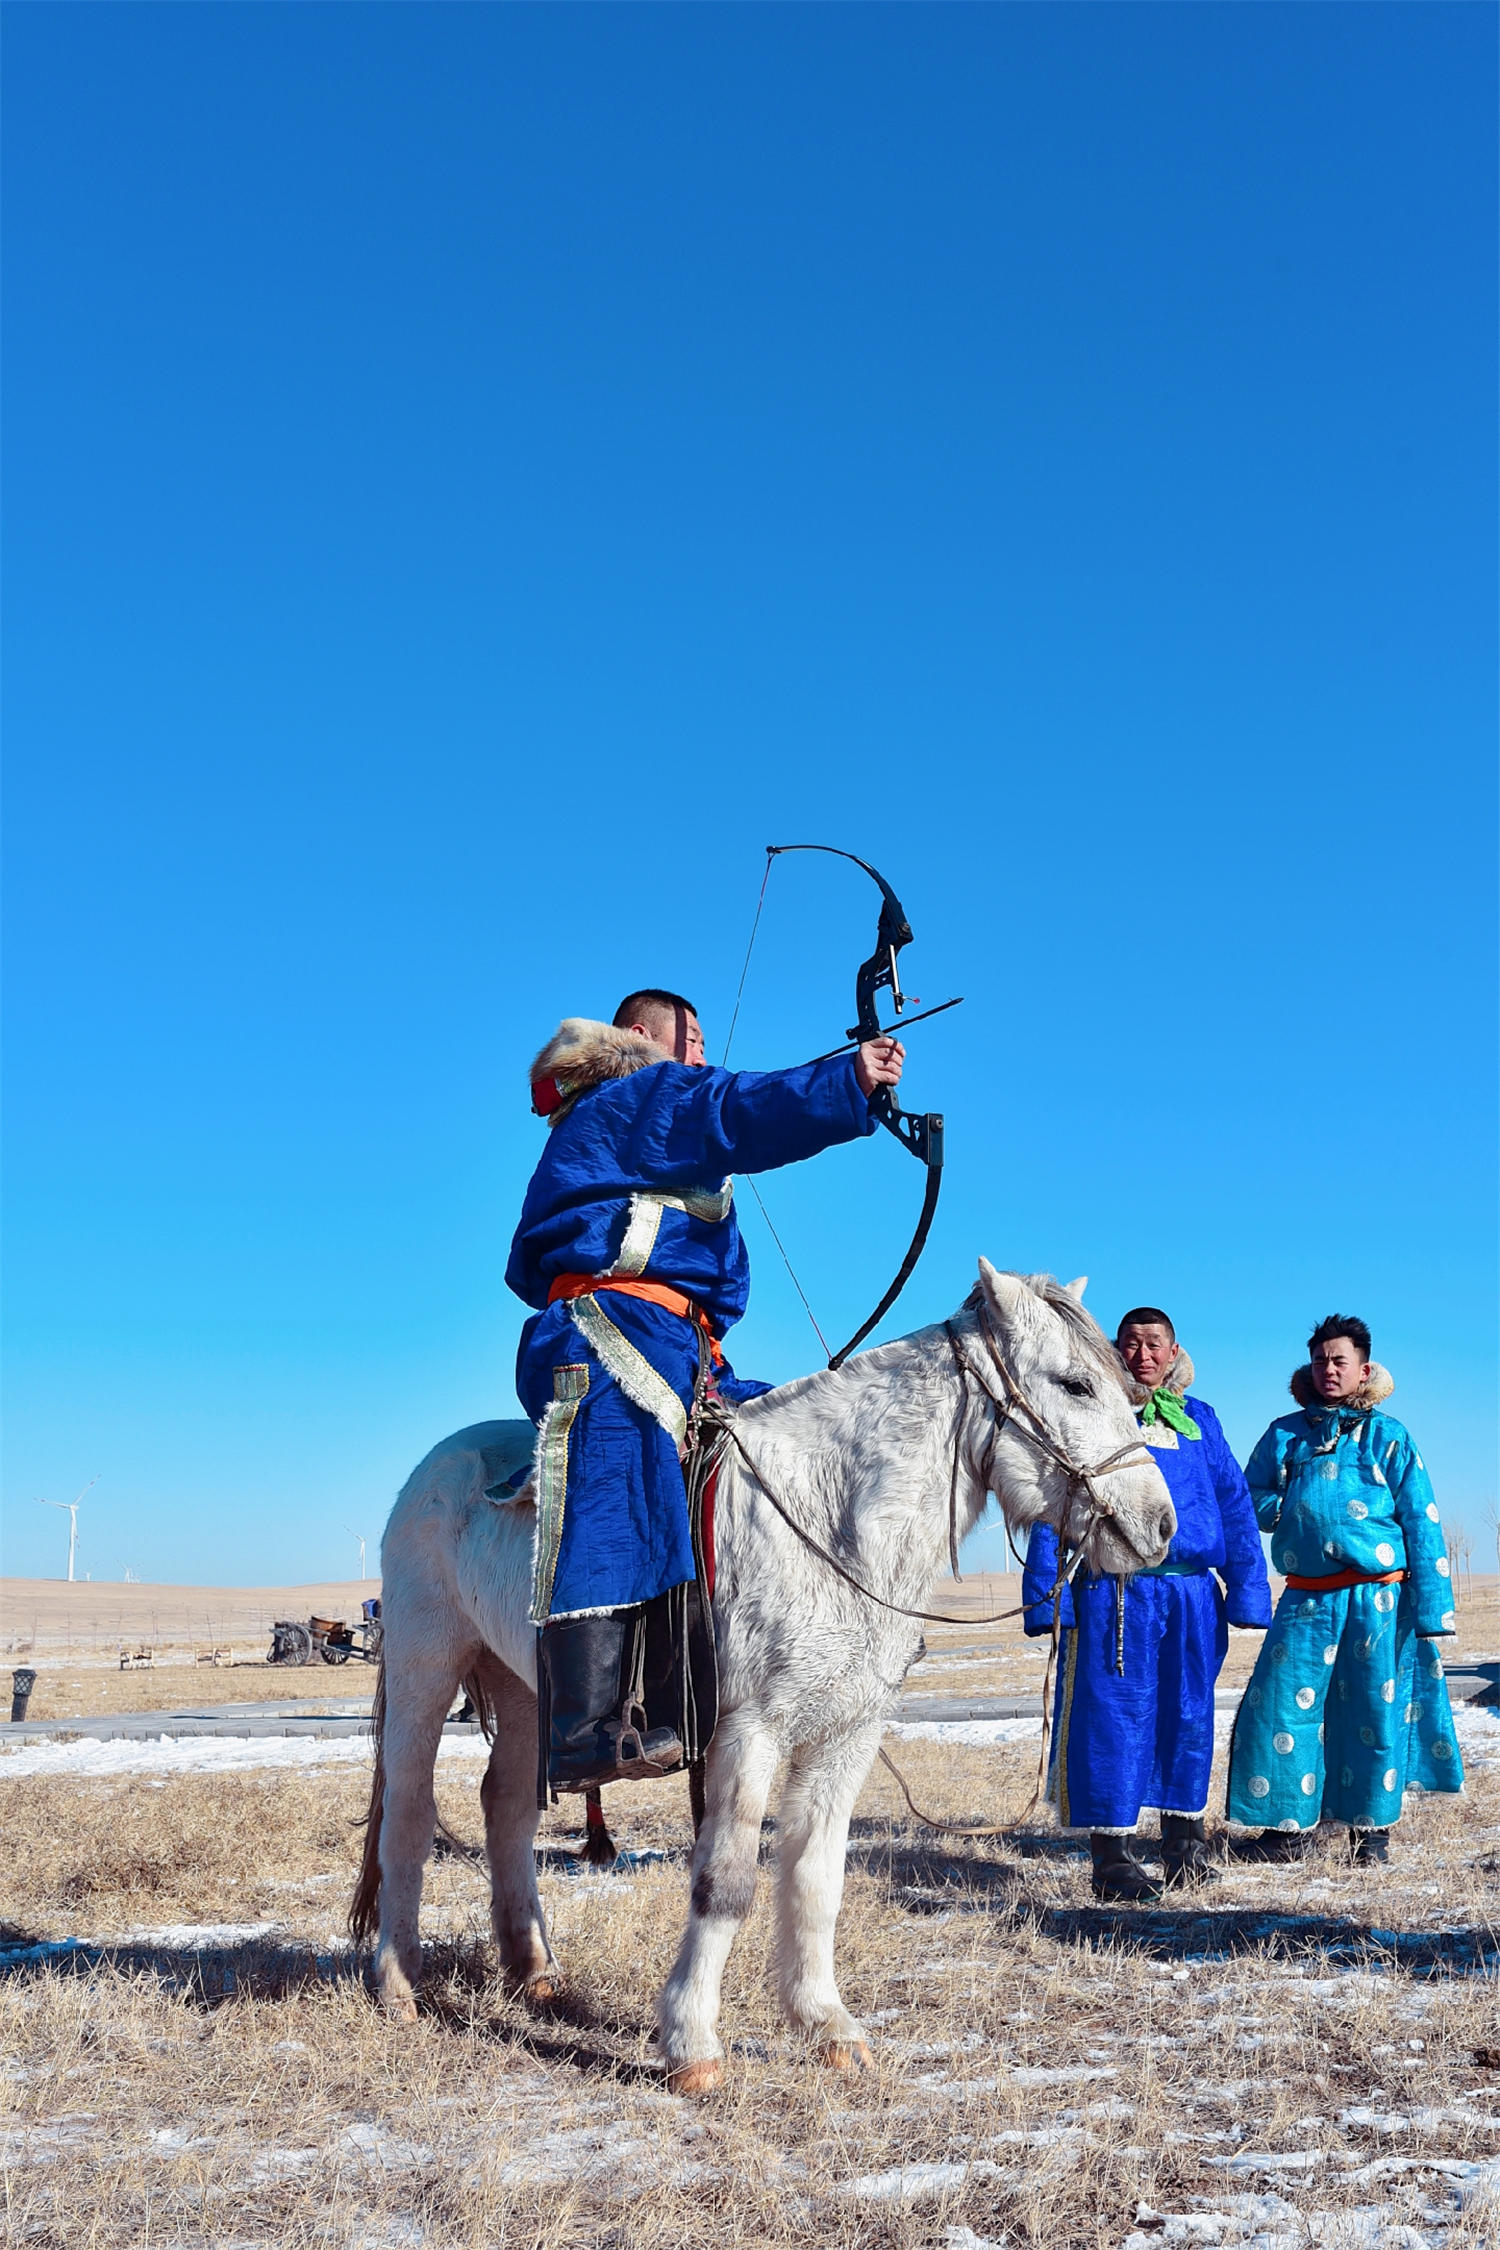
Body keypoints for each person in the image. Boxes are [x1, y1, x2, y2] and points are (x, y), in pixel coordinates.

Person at [506, 987, 905, 1795]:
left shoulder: (651, 1117)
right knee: (626, 1455)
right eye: (687, 1039)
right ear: (635, 1037)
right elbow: (741, 1103)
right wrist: (846, 1079)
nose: (700, 1054)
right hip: (605, 1327)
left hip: (687, 1343)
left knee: (790, 1426)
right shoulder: (638, 1091)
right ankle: (584, 1726)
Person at [1023, 1306, 1272, 1902]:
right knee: (1112, 1720)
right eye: (1131, 1344)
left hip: (1191, 1596)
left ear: (1174, 1350)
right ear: (1115, 1349)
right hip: (1115, 1593)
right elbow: (1052, 1505)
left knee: (1188, 1717)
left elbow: (1234, 1505)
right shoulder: (1094, 1414)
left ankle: (1185, 1846)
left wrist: (1248, 1589)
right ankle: (1112, 1858)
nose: (1143, 1355)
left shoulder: (1200, 1421)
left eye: (1154, 1344)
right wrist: (1045, 1597)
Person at [1225, 1315, 1463, 1863]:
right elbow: (1245, 1497)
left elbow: (1421, 1520)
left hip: (1378, 1599)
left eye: (1339, 1361)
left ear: (1363, 1369)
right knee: (1281, 1707)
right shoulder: (1285, 1433)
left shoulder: (1390, 1435)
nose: (1328, 1370)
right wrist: (1289, 1508)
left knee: (1373, 1714)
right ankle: (1285, 1831)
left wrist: (1432, 1609)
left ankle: (1369, 1832)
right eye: (1319, 1361)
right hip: (1306, 1595)